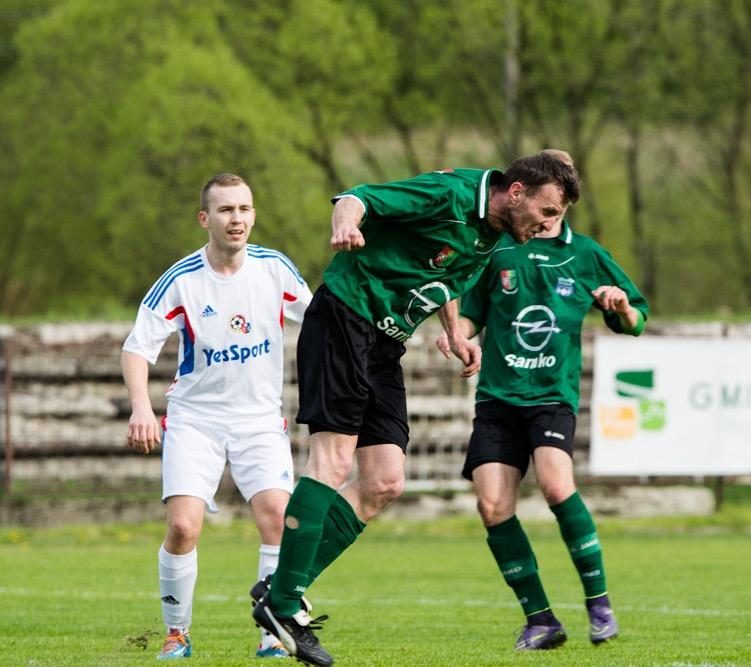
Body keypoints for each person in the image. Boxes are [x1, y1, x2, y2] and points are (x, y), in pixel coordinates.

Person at [250, 152, 581, 666]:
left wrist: (454, 331)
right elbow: (358, 198)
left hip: (385, 342)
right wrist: (345, 225)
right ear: (516, 192)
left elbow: (444, 273)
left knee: (384, 480)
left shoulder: (496, 230)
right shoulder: (451, 195)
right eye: (548, 211)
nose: (548, 224)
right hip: (345, 317)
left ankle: (281, 590)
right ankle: (286, 605)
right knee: (332, 462)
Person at [435, 150, 648, 651]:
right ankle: (541, 620)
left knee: (555, 486)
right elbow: (473, 313)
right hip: (497, 398)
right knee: (491, 506)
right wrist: (455, 334)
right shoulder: (498, 249)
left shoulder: (586, 254)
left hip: (551, 396)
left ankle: (599, 603)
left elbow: (637, 318)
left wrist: (619, 307)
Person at [122, 173, 312, 660]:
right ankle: (177, 632)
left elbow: (319, 322)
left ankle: (274, 631)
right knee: (183, 528)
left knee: (278, 518)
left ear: (254, 215)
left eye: (244, 209)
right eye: (226, 210)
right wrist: (142, 407)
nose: (237, 219)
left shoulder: (274, 269)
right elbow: (137, 348)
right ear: (205, 219)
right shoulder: (182, 279)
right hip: (195, 421)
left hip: (259, 420)